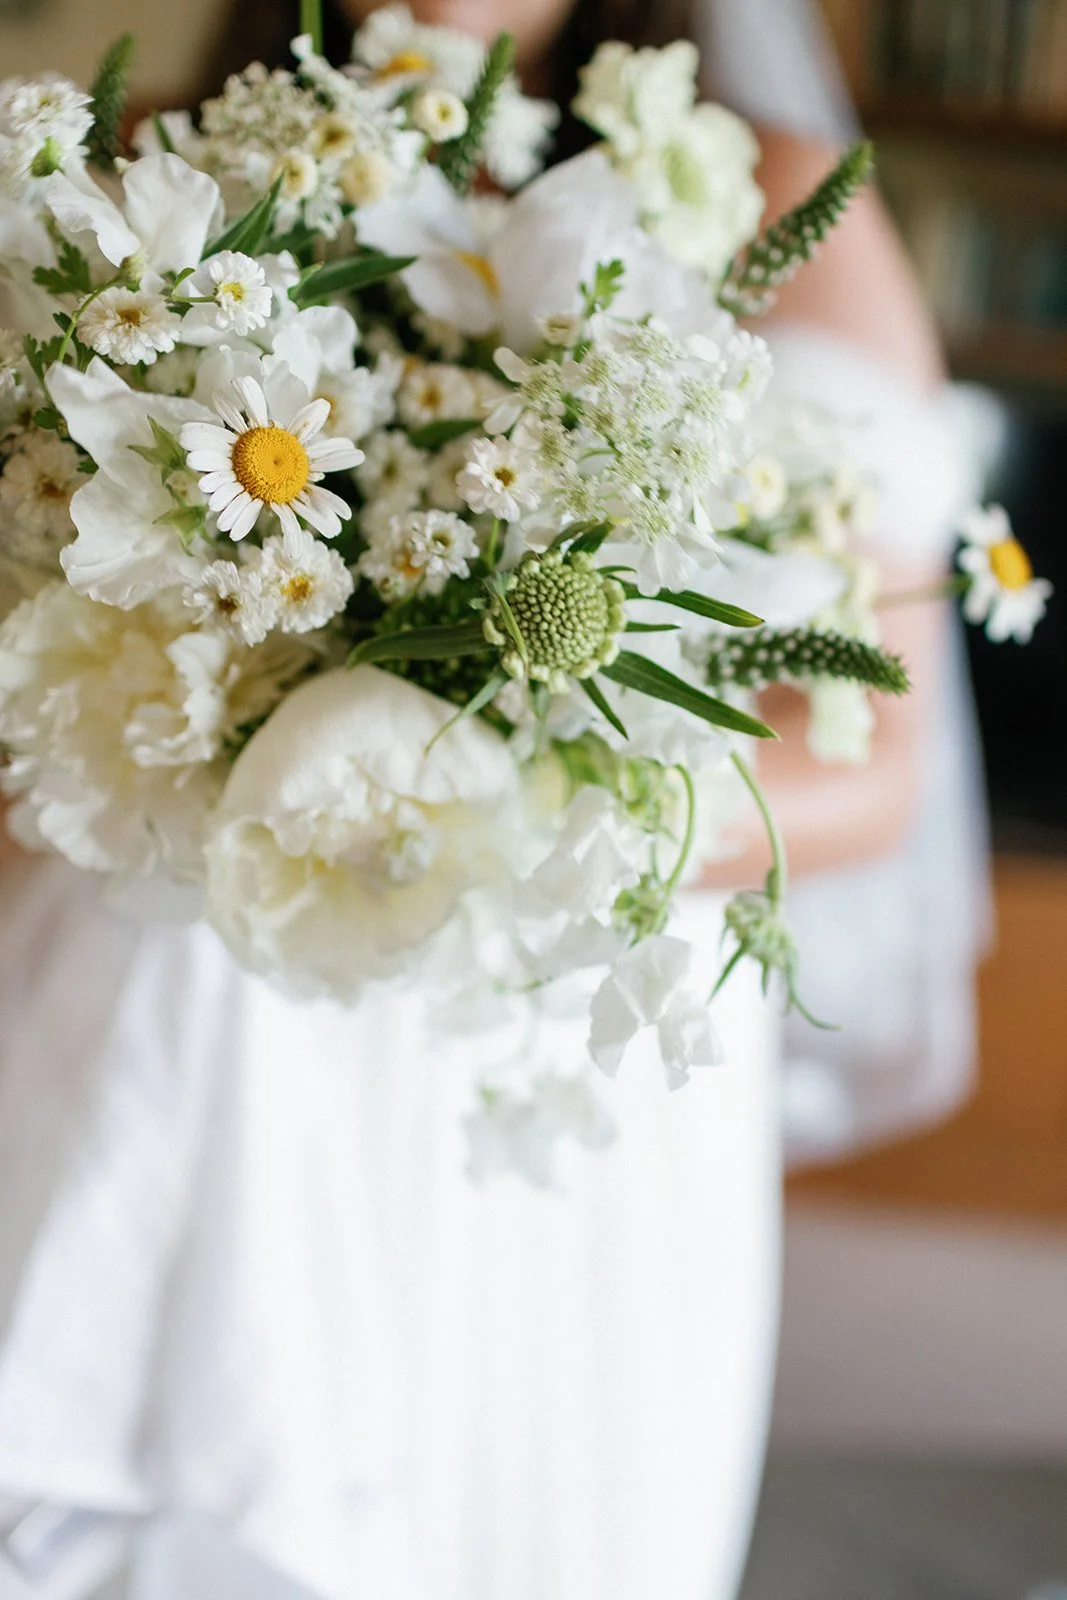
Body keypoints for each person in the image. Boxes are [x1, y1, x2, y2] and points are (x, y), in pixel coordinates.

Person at [0, 2, 985, 1598]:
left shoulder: (774, 194)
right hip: (184, 953)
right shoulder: (158, 167)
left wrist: (506, 799)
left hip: (547, 1032)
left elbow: (872, 767)